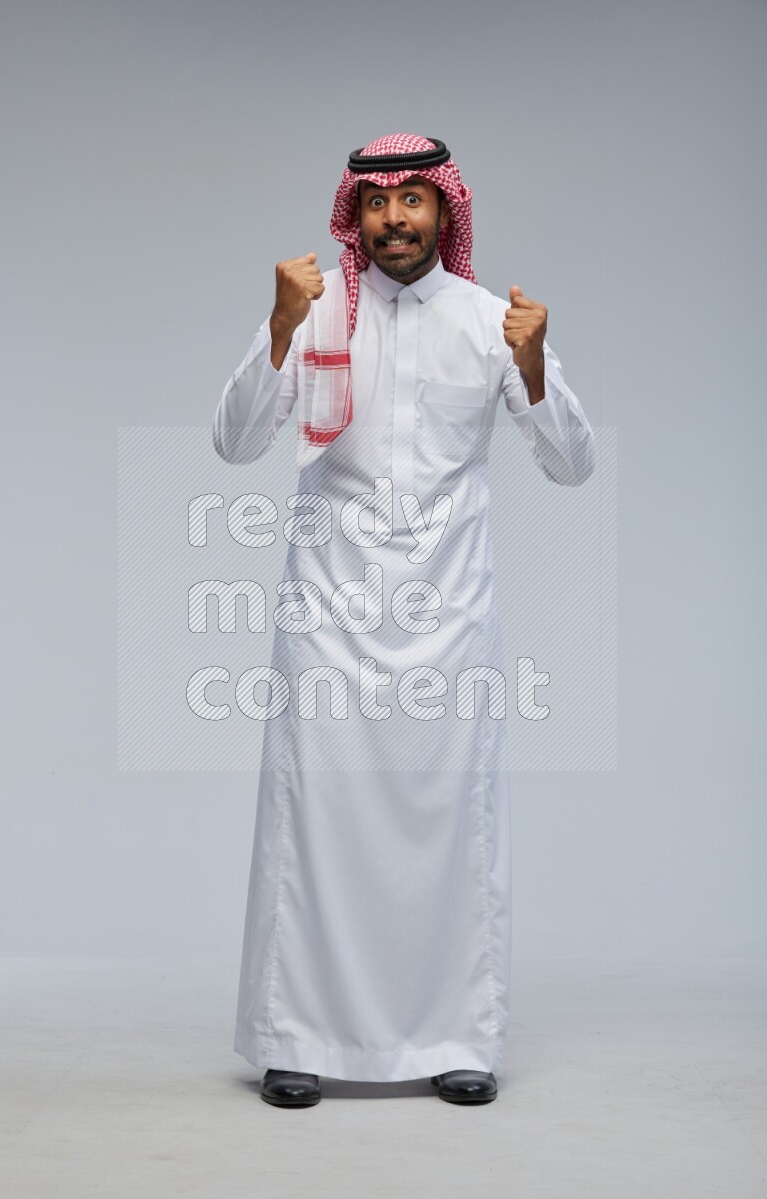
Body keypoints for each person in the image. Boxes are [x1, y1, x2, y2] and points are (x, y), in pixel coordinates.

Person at [212, 133, 596, 1108]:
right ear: (355, 212)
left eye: (413, 200)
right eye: (377, 202)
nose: (394, 218)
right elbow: (236, 440)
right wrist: (274, 330)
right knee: (315, 822)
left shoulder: (487, 321)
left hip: (447, 620)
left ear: (444, 212)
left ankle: (457, 1034)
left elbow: (570, 463)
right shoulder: (316, 313)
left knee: (451, 828)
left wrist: (537, 364)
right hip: (328, 618)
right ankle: (294, 1035)